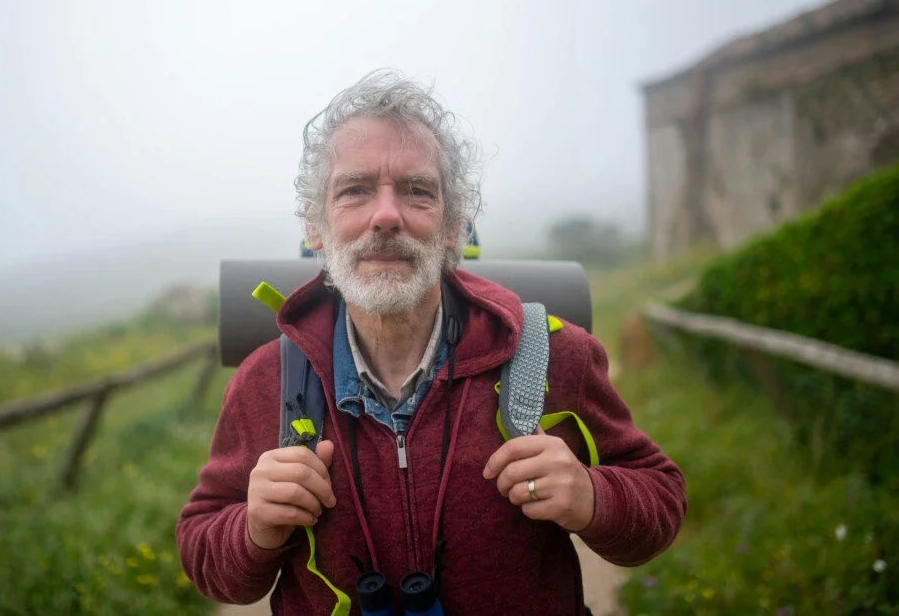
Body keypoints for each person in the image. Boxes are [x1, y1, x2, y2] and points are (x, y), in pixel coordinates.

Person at [177, 70, 686, 615]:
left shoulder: (552, 357)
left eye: (417, 191)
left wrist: (592, 498)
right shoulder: (266, 380)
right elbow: (208, 558)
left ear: (452, 226)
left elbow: (661, 500)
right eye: (355, 190)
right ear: (315, 227)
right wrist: (253, 529)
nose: (387, 216)